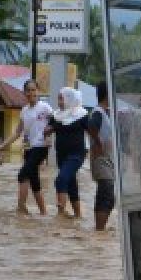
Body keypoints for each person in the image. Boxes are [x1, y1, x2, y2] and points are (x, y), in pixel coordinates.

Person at [0, 79, 52, 215]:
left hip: (41, 147)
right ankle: (44, 212)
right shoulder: (24, 111)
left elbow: (56, 123)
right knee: (34, 181)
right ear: (24, 92)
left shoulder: (45, 107)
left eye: (33, 90)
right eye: (28, 90)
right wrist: (3, 145)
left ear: (38, 91)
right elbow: (17, 132)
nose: (31, 93)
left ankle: (21, 208)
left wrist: (49, 136)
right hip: (28, 148)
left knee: (22, 174)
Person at [47, 87, 88, 218]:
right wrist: (48, 131)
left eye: (61, 98)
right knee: (71, 184)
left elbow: (93, 132)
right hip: (61, 155)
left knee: (61, 179)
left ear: (69, 98)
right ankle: (78, 215)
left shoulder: (81, 114)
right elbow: (48, 128)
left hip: (76, 154)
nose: (59, 101)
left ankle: (60, 215)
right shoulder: (56, 115)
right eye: (58, 98)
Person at [86, 81, 115, 231]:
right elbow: (90, 126)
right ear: (108, 94)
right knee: (106, 192)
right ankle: (99, 229)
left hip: (108, 159)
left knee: (110, 196)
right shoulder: (98, 112)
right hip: (100, 159)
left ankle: (100, 230)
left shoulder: (106, 112)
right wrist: (97, 143)